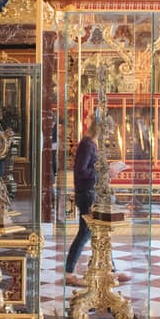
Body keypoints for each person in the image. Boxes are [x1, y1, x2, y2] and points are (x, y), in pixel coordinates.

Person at [65, 119, 99, 284]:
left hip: (90, 192)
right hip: (87, 194)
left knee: (99, 232)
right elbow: (81, 171)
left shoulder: (90, 143)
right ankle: (68, 271)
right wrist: (102, 171)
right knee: (85, 233)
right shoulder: (87, 145)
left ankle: (111, 268)